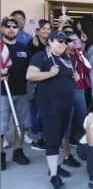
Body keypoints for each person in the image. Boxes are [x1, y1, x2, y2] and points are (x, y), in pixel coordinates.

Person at [26, 31, 80, 189]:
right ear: (49, 41)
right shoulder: (41, 56)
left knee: (60, 136)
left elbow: (66, 78)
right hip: (49, 104)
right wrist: (49, 73)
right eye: (59, 41)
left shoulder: (66, 59)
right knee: (53, 138)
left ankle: (54, 167)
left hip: (66, 104)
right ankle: (54, 176)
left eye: (65, 42)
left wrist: (74, 78)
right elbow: (30, 75)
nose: (63, 44)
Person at [1, 17, 31, 170]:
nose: (11, 29)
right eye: (8, 26)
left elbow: (30, 69)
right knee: (1, 126)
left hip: (22, 92)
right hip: (2, 94)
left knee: (22, 124)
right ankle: (1, 155)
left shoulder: (24, 48)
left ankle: (18, 151)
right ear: (2, 28)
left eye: (15, 27)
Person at [26, 19, 52, 150]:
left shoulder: (50, 44)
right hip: (35, 82)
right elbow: (29, 63)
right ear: (38, 30)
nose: (46, 31)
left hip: (47, 81)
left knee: (44, 111)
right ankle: (36, 138)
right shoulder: (32, 43)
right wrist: (34, 47)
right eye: (43, 28)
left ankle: (43, 136)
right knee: (35, 111)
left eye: (48, 28)